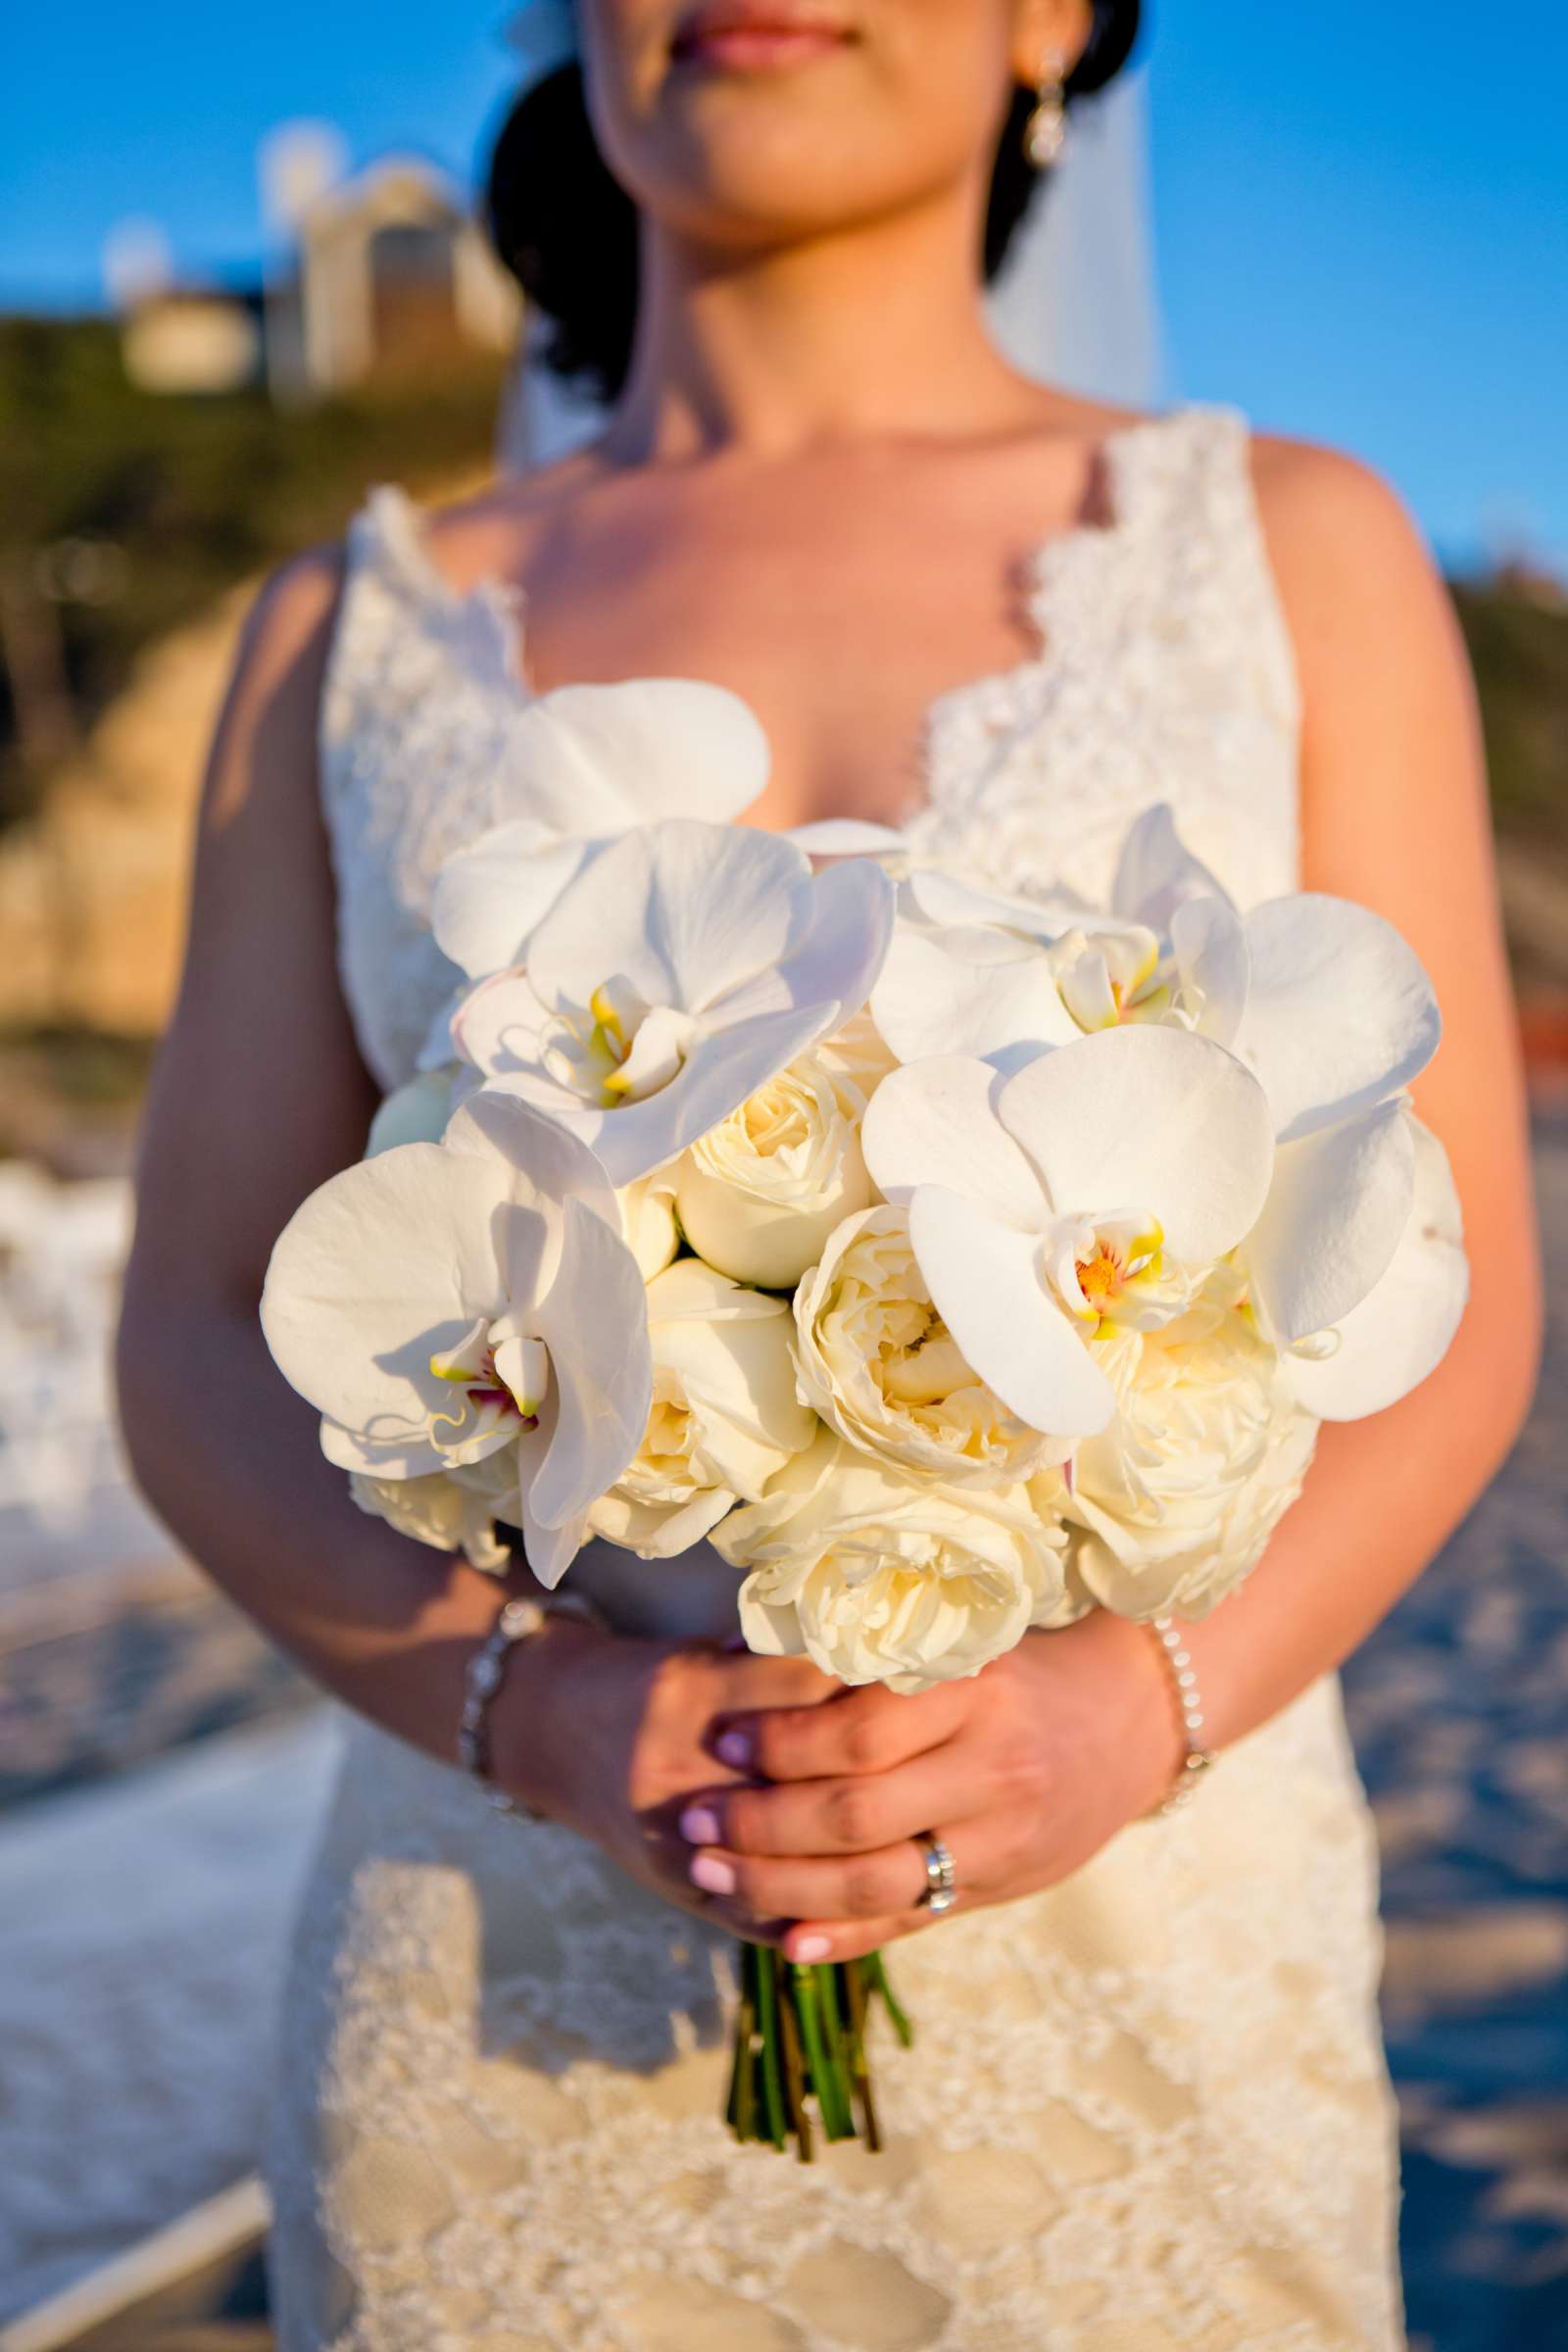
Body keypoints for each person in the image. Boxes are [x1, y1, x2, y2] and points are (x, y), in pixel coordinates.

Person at [116, 3, 1540, 2345]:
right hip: (497, 1949)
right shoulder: (342, 631)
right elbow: (193, 1338)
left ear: (1054, 18)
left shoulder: (1285, 546)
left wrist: (1137, 1711)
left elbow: (1445, 1285)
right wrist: (536, 1716)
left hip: (1144, 1943)